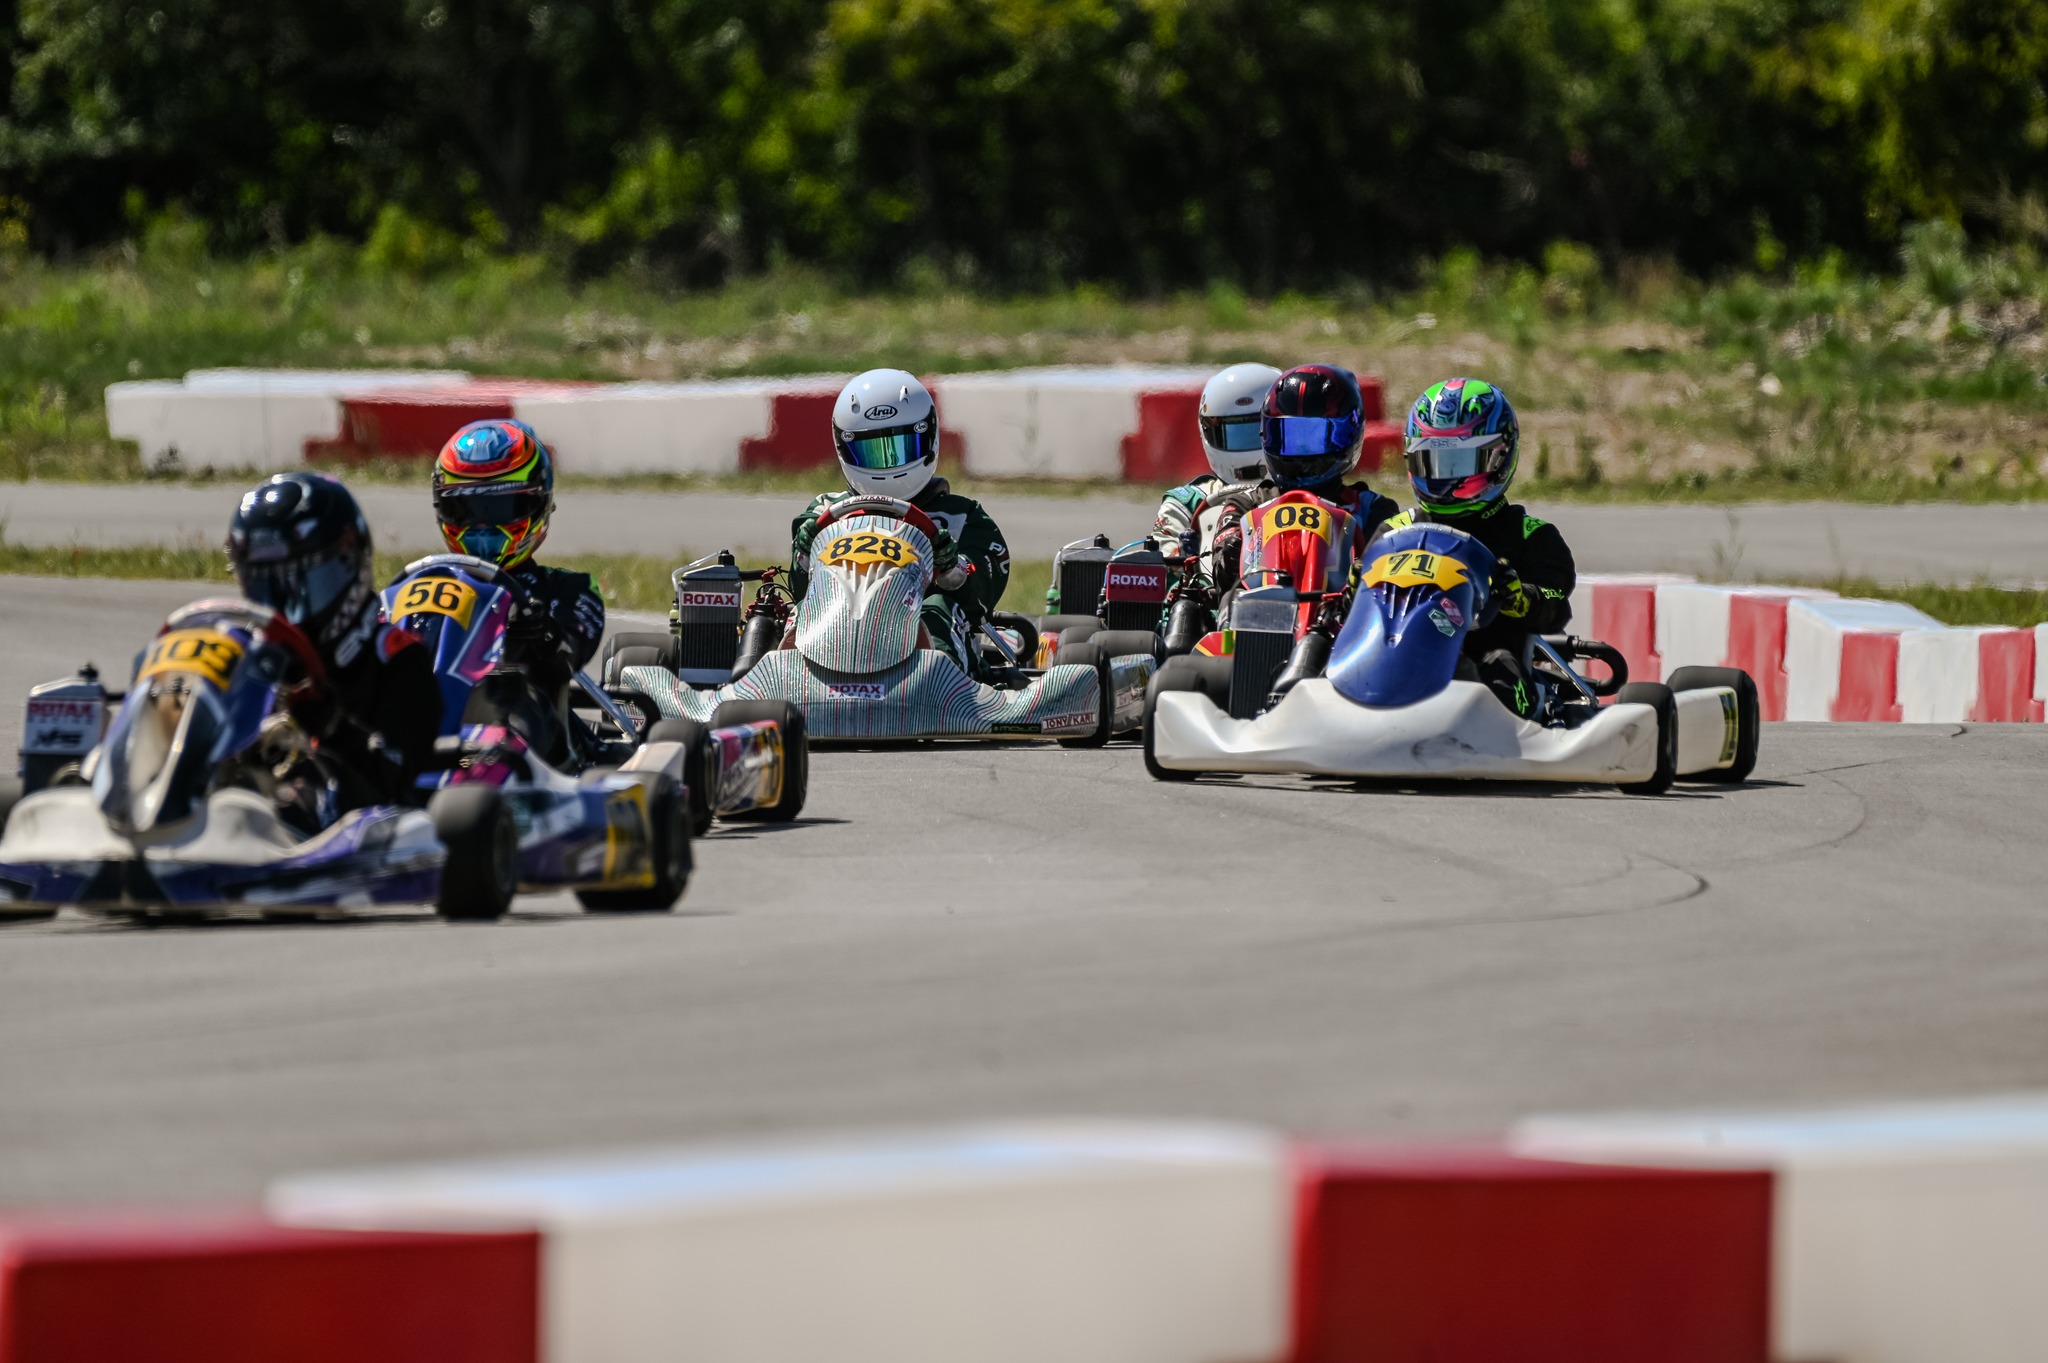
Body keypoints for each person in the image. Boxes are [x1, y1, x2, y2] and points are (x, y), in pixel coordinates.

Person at [226, 472, 443, 809]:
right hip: (236, 818)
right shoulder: (248, 662)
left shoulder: (397, 661)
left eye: (301, 586)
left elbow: (401, 792)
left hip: (345, 828)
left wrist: (334, 730)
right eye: (263, 587)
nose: (281, 610)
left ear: (349, 560)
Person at [789, 369, 1011, 672]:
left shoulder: (962, 517)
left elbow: (981, 603)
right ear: (844, 447)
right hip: (837, 626)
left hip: (919, 638)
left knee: (937, 610)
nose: (888, 464)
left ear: (929, 436)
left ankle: (940, 687)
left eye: (901, 447)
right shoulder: (824, 512)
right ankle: (782, 682)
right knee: (798, 613)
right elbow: (802, 591)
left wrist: (953, 568)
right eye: (871, 451)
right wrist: (803, 557)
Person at [1383, 377, 1576, 717]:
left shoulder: (1530, 536)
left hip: (1487, 653)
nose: (1444, 478)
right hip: (1393, 651)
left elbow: (1555, 603)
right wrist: (1355, 589)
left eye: (1458, 463)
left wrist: (1521, 598)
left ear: (1499, 457)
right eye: (1432, 461)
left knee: (1500, 671)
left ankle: (1498, 728)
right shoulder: (1395, 531)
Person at [431, 419, 605, 698]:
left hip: (524, 712)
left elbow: (568, 658)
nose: (484, 526)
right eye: (466, 509)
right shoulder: (425, 585)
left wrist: (543, 633)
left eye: (499, 508)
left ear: (538, 503)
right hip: (430, 711)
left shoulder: (568, 589)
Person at [1208, 364, 1402, 589]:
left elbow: (1390, 583)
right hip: (1258, 606)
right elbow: (1221, 573)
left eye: (1315, 436)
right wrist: (1231, 551)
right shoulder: (1245, 505)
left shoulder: (1374, 509)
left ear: (1349, 434)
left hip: (1341, 609)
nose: (1300, 451)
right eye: (1289, 436)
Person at [1150, 362, 1282, 549]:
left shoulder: (1304, 496)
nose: (1252, 441)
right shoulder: (1187, 505)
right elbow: (1165, 561)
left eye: (1260, 432)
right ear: (1208, 431)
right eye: (1236, 434)